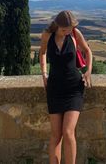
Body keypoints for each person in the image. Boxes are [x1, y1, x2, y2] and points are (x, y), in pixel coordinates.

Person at [39, 10, 92, 164]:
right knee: (56, 135)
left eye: (69, 29)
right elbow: (42, 53)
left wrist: (88, 72)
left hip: (74, 88)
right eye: (64, 30)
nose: (67, 32)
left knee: (68, 132)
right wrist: (44, 73)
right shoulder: (47, 36)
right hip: (54, 89)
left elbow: (88, 51)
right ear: (57, 25)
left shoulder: (75, 33)